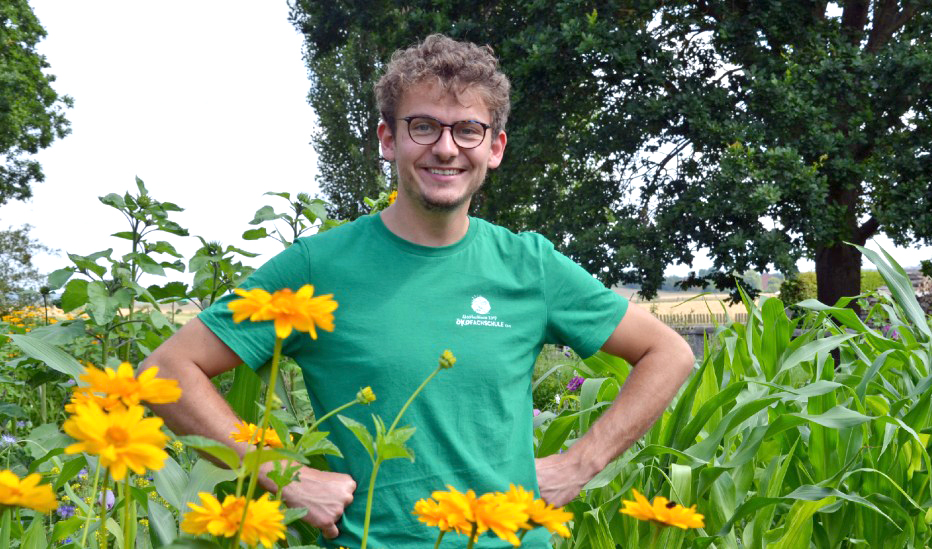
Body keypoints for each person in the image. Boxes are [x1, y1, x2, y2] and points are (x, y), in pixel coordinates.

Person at [143, 34, 694, 548]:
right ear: (388, 139)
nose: (447, 148)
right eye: (424, 126)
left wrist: (580, 463)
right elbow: (165, 371)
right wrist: (280, 473)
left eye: (468, 130)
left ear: (495, 147)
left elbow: (667, 352)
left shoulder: (530, 266)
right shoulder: (318, 266)